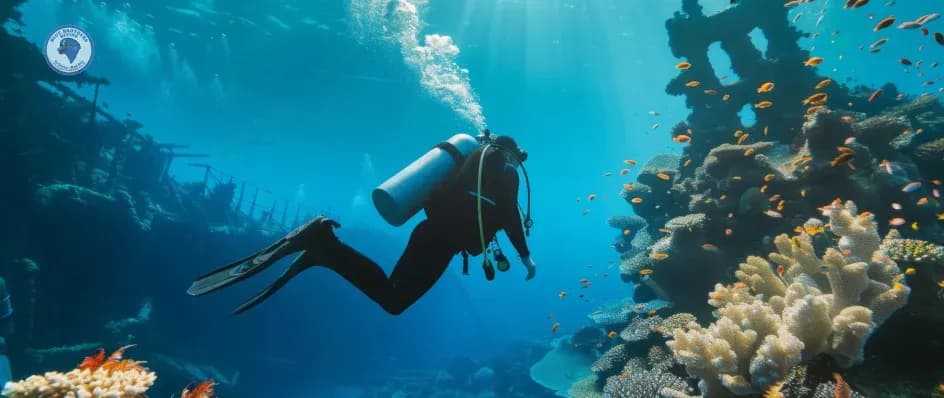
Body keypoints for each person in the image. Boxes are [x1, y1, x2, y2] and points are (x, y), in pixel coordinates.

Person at [188, 134, 536, 315]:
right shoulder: (504, 171)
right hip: (441, 241)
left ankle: (322, 250)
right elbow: (507, 215)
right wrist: (525, 256)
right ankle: (325, 246)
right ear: (511, 153)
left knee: (393, 295)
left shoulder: (472, 162)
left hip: (429, 234)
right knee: (395, 301)